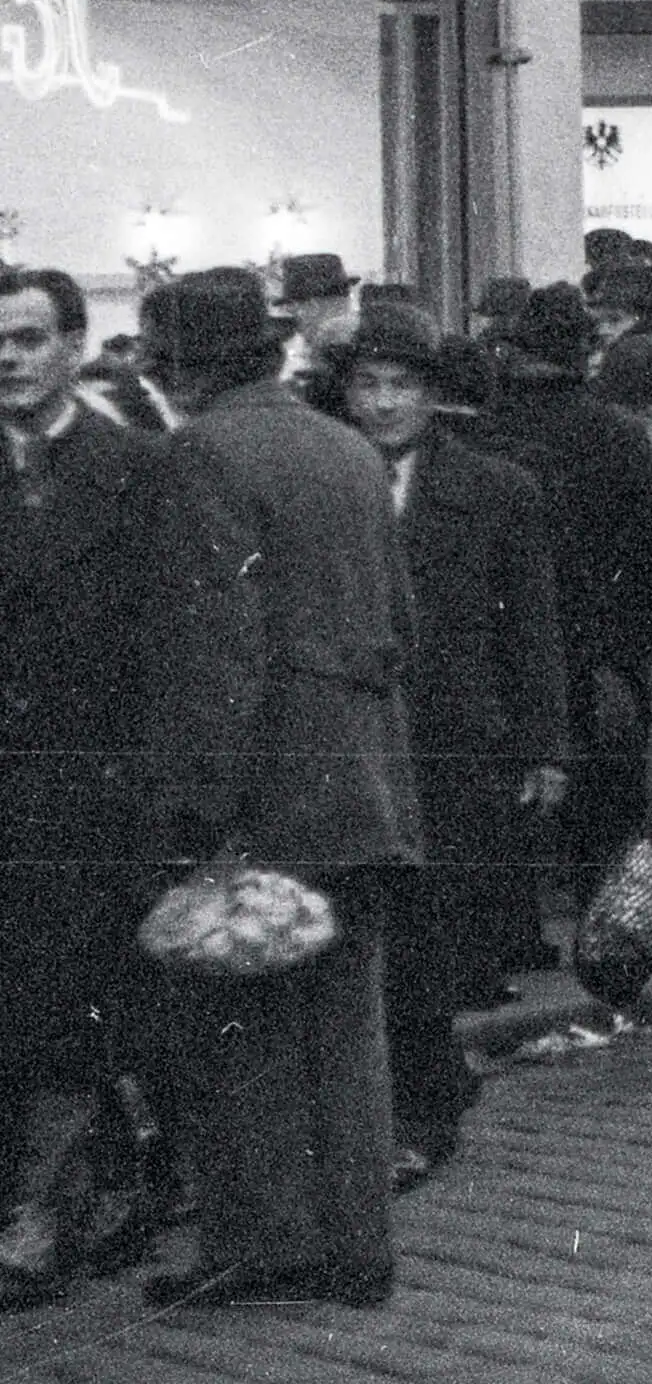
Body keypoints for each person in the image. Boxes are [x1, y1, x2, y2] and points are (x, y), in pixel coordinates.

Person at [135, 272, 425, 1311]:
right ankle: (357, 1245)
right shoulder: (350, 447)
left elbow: (218, 651)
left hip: (266, 786)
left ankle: (262, 1241)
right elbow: (400, 616)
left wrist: (194, 806)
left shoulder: (200, 455)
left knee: (237, 1030)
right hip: (362, 777)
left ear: (182, 366)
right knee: (348, 1027)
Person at [324, 305, 568, 1180]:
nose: (384, 405)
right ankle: (424, 1089)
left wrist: (545, 746)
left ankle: (423, 1109)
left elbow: (533, 630)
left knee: (433, 930)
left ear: (433, 397)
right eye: (368, 386)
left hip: (455, 740)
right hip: (353, 741)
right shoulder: (327, 479)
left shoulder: (497, 489)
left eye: (402, 387)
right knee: (375, 927)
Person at [0, 267, 189, 1307]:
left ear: (75, 345)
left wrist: (166, 785)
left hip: (88, 785)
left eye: (29, 338)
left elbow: (174, 639)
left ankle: (44, 1210)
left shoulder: (135, 470)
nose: (9, 357)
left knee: (63, 1000)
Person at [475, 283, 652, 894]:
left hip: (504, 637)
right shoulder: (616, 434)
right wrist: (633, 650)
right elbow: (646, 553)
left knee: (509, 800)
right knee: (604, 807)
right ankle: (600, 921)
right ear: (582, 353)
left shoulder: (485, 428)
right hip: (598, 642)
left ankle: (513, 931)